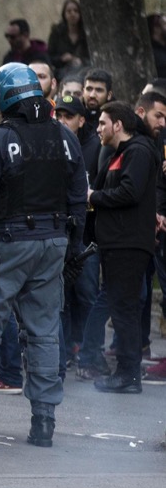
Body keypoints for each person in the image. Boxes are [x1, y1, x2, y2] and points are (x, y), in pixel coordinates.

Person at [0, 63, 86, 447]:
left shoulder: (0, 139)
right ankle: (44, 422)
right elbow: (78, 201)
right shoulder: (66, 138)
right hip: (54, 241)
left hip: (7, 243)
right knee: (44, 331)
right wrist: (74, 249)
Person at [89, 101, 158, 394]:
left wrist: (94, 196)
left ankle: (128, 376)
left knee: (124, 310)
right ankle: (126, 373)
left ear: (118, 125)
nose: (98, 128)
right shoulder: (123, 153)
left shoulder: (138, 151)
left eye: (103, 123)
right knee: (120, 309)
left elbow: (129, 192)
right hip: (117, 242)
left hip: (128, 243)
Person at [47, 0, 89, 77]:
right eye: (69, 11)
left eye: (76, 11)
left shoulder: (86, 33)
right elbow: (49, 57)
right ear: (64, 14)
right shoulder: (56, 33)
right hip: (62, 72)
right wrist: (62, 59)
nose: (72, 14)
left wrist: (81, 61)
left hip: (84, 71)